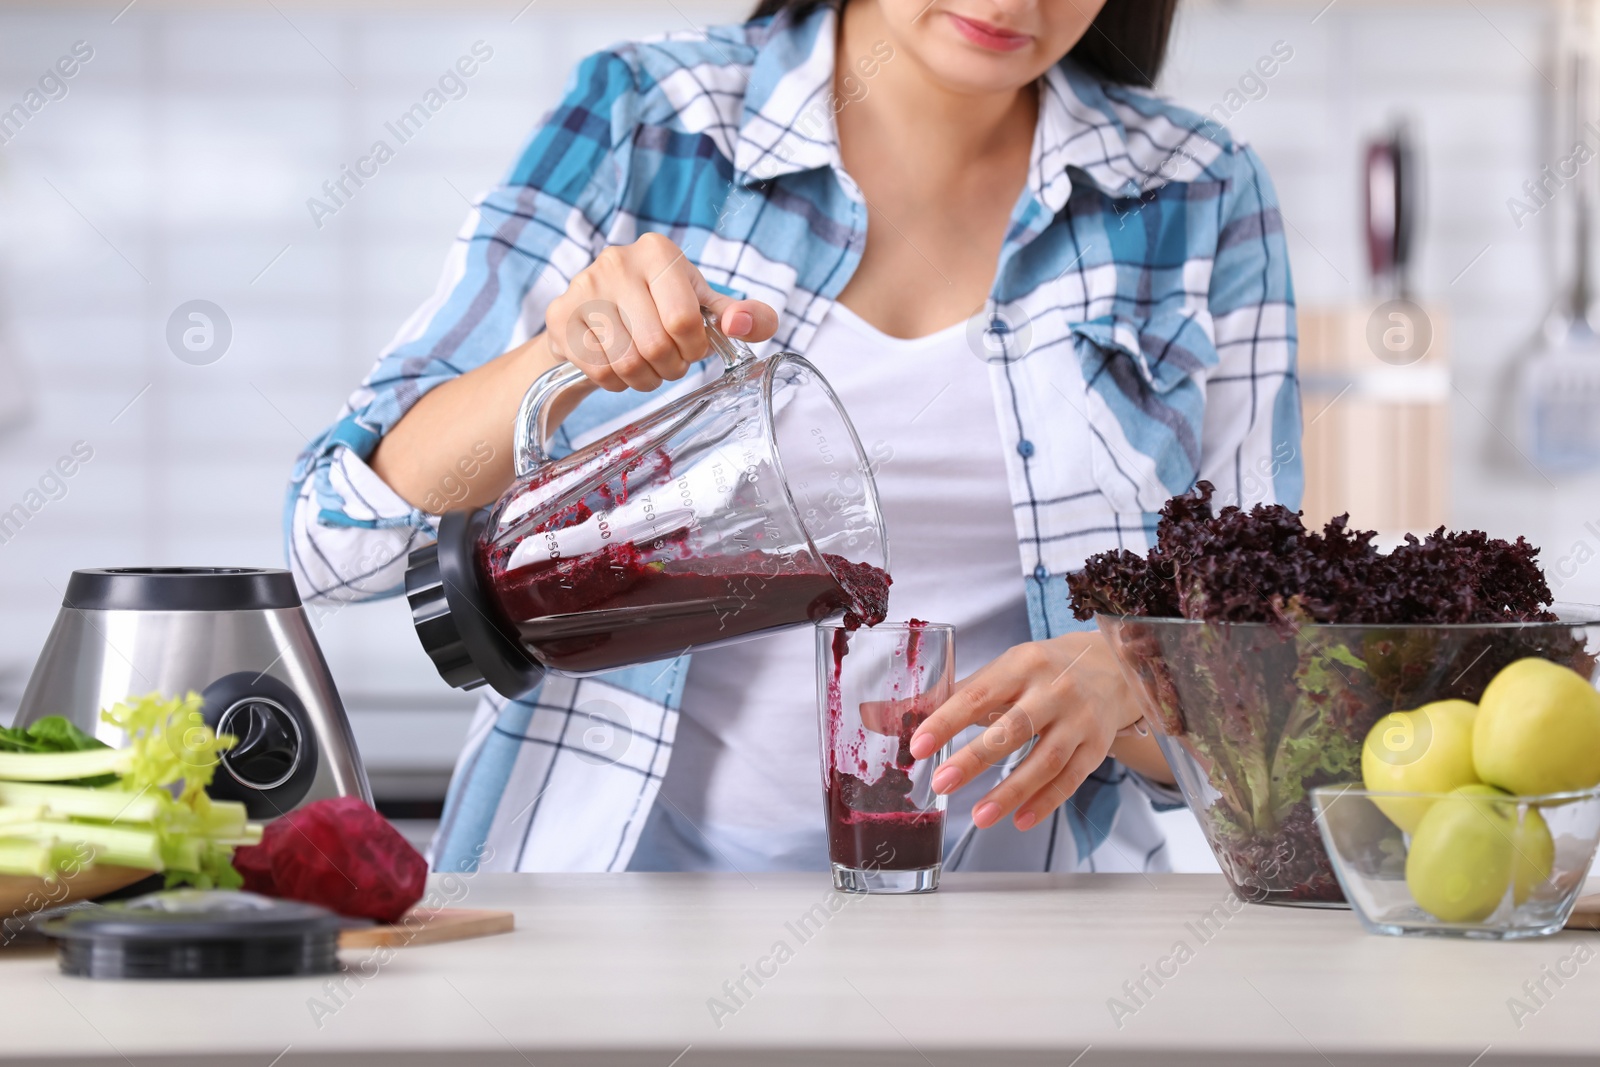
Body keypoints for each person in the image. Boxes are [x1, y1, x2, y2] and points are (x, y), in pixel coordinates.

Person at [286, 0, 1300, 874]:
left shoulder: (1198, 194)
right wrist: (561, 355)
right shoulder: (650, 119)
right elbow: (336, 547)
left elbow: (1272, 711)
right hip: (607, 921)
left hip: (1020, 949)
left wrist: (1135, 678)